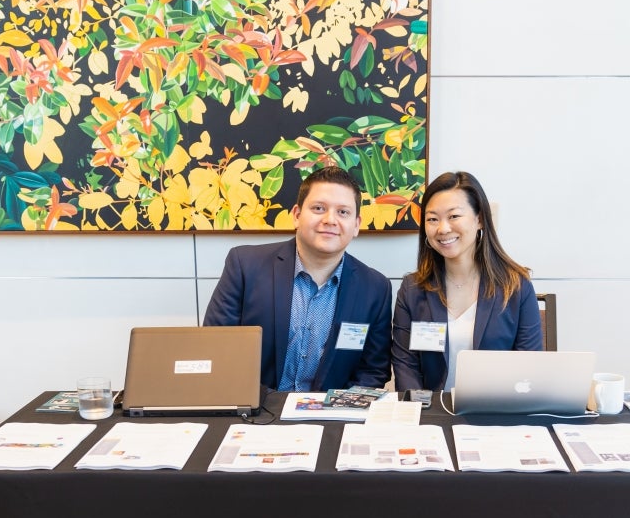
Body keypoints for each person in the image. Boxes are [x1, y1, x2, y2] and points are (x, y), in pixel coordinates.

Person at [203, 166, 392, 391]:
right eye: (319, 208)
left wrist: (335, 410)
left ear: (356, 225)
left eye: (343, 212)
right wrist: (268, 407)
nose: (330, 220)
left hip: (331, 416)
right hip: (256, 413)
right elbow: (217, 348)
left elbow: (373, 371)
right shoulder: (245, 265)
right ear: (296, 215)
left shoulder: (375, 288)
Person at [391, 171, 542, 391]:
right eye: (432, 219)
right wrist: (421, 415)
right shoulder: (412, 289)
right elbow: (406, 366)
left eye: (454, 216)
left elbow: (528, 368)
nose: (443, 229)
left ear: (479, 219)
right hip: (431, 415)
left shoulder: (516, 287)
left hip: (494, 415)